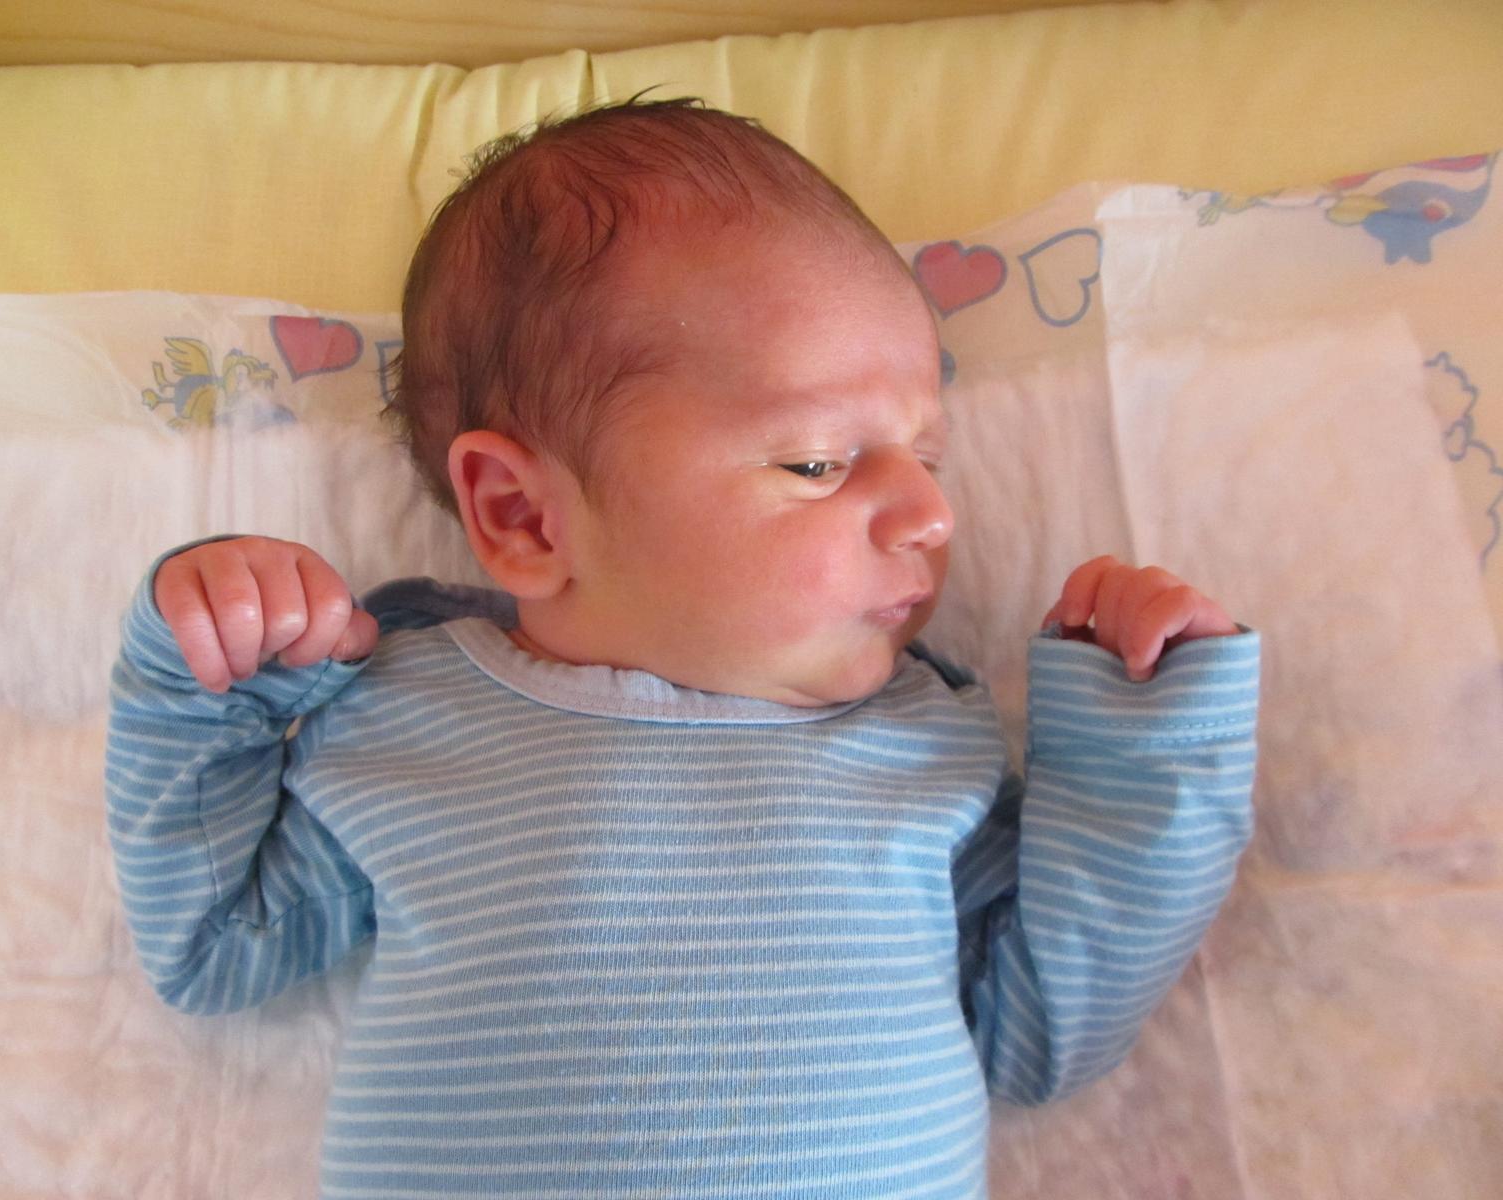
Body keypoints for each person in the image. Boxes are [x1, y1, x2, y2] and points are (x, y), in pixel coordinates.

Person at [105, 95, 1260, 1200]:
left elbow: (1040, 1032)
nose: (928, 513)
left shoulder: (920, 742)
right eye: (816, 462)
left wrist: (1140, 743)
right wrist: (209, 676)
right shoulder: (412, 716)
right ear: (523, 514)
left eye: (927, 457)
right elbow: (211, 948)